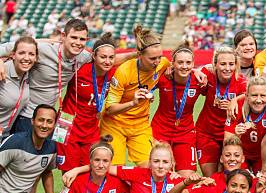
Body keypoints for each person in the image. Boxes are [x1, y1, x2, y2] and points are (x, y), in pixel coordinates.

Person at [0, 19, 92, 134]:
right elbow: (8, 47)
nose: (78, 43)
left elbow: (105, 58)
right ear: (63, 36)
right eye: (73, 37)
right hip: (28, 115)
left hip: (51, 116)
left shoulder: (83, 56)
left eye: (82, 39)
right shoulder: (42, 49)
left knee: (50, 150)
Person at [101, 25, 170, 169]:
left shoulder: (162, 63)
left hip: (140, 125)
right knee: (114, 171)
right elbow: (109, 109)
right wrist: (133, 103)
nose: (157, 62)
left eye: (159, 57)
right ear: (139, 55)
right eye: (152, 58)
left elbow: (179, 67)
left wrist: (199, 71)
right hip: (115, 124)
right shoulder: (124, 72)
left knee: (153, 167)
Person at [56, 33, 118, 172]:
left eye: (111, 57)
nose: (107, 61)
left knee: (90, 170)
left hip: (91, 127)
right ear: (94, 56)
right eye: (103, 57)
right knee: (67, 171)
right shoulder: (79, 70)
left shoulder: (114, 74)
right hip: (66, 123)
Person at [152, 42, 201, 177]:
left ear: (193, 64)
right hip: (160, 131)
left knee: (187, 179)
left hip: (185, 134)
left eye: (188, 63)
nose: (184, 66)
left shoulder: (200, 81)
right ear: (172, 63)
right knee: (160, 176)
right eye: (180, 62)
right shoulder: (162, 78)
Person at [196, 46, 247, 177]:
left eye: (231, 64)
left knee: (228, 176)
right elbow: (190, 70)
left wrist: (236, 99)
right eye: (223, 64)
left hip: (230, 134)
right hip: (206, 133)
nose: (227, 68)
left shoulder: (241, 81)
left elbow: (253, 94)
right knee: (211, 178)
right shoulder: (207, 74)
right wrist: (195, 70)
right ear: (215, 65)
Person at [224, 76, 266, 179]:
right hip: (240, 153)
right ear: (246, 96)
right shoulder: (235, 107)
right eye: (254, 95)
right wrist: (236, 135)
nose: (259, 100)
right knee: (238, 181)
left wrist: (264, 171)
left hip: (262, 156)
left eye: (263, 96)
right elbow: (226, 142)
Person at [0, 36, 36, 141]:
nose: (26, 58)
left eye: (31, 54)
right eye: (21, 53)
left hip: (6, 135)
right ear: (13, 55)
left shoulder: (27, 73)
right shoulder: (2, 71)